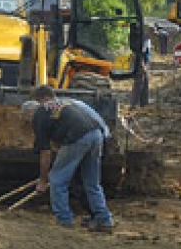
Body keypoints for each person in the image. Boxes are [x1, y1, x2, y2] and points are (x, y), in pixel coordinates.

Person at [21, 84, 114, 232]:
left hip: (77, 137)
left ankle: (64, 220)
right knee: (92, 183)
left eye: (27, 118)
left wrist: (43, 180)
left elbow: (45, 153)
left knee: (57, 180)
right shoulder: (69, 102)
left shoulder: (39, 113)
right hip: (97, 135)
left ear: (35, 105)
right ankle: (104, 220)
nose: (28, 122)